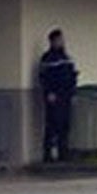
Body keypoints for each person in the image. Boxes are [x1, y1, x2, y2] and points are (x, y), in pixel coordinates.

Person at [37, 28, 78, 163]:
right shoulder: (47, 59)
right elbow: (44, 78)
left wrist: (73, 93)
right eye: (58, 40)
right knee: (52, 124)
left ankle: (63, 153)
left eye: (62, 40)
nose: (61, 42)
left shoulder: (67, 59)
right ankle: (47, 155)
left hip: (65, 95)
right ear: (52, 41)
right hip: (54, 96)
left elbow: (72, 76)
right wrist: (49, 92)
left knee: (65, 125)